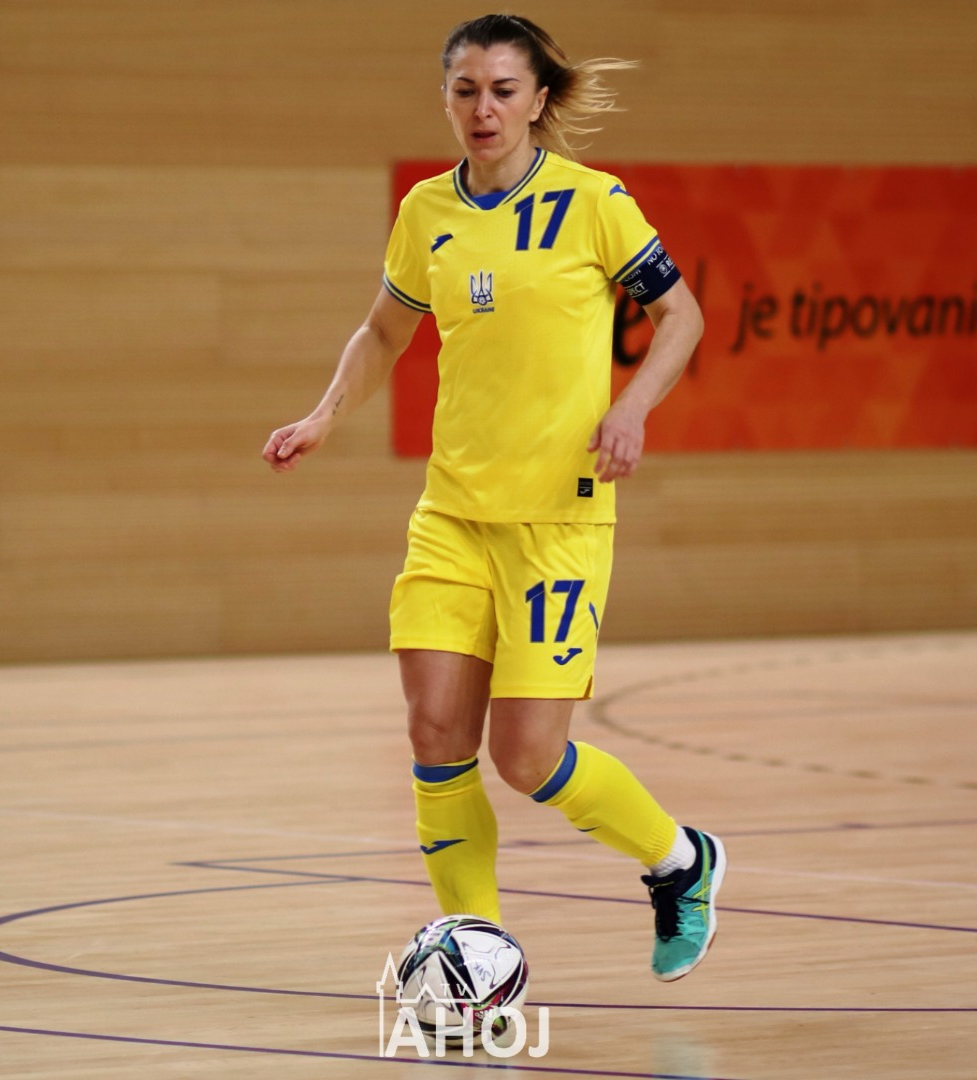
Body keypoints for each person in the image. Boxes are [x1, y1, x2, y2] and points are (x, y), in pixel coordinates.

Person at [262, 13, 721, 982]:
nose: (483, 108)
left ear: (537, 100)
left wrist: (632, 407)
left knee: (526, 758)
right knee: (434, 731)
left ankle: (679, 862)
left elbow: (679, 316)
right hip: (452, 515)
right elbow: (383, 332)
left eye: (503, 91)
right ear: (445, 99)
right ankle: (476, 946)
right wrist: (321, 416)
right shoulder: (426, 210)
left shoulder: (594, 203)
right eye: (465, 90)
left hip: (557, 521)